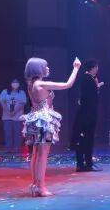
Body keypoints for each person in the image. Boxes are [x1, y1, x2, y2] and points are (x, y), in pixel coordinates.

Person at [22, 56, 81, 196]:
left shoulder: (31, 84)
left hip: (35, 119)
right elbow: (67, 84)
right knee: (42, 155)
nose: (48, 68)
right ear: (38, 69)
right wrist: (76, 68)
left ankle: (35, 185)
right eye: (45, 66)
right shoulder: (41, 84)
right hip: (45, 122)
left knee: (36, 154)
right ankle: (41, 187)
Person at [71, 59, 103, 172]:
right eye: (96, 67)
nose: (97, 69)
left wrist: (96, 86)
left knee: (83, 139)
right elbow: (90, 98)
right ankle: (87, 164)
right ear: (93, 68)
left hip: (84, 114)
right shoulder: (88, 79)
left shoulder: (86, 78)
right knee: (87, 139)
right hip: (87, 115)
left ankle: (81, 164)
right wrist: (96, 87)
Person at [0, 79, 27, 151]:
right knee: (8, 133)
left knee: (17, 133)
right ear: (10, 83)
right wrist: (8, 112)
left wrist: (14, 112)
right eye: (13, 82)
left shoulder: (22, 92)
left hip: (18, 117)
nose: (15, 84)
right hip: (6, 116)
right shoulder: (4, 91)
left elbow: (22, 103)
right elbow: (2, 102)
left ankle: (16, 148)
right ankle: (8, 148)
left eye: (16, 82)